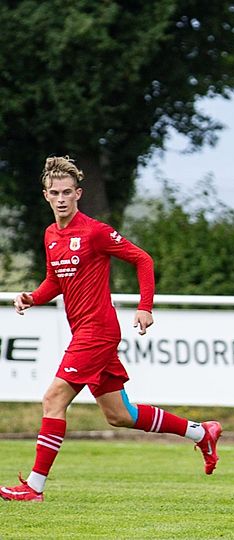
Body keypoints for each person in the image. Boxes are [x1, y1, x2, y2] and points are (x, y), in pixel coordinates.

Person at [0, 157, 221, 503]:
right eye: (55, 193)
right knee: (120, 415)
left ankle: (34, 487)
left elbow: (142, 259)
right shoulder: (50, 235)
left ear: (78, 194)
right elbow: (55, 281)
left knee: (53, 399)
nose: (61, 199)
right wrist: (33, 297)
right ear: (46, 195)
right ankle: (201, 432)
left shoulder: (95, 232)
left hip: (97, 331)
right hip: (84, 333)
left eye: (67, 192)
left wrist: (145, 306)